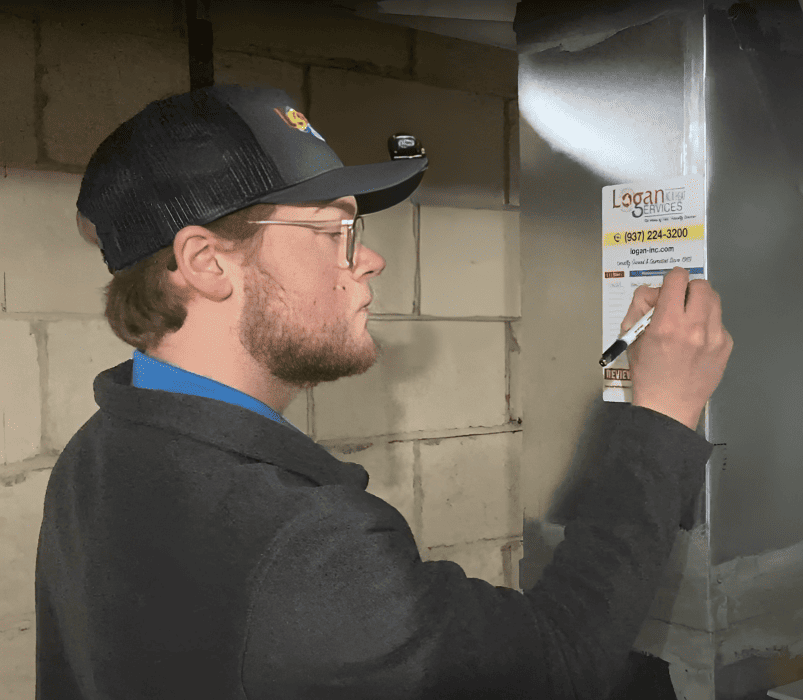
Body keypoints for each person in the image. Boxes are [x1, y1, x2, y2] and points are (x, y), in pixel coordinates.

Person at [35, 84, 733, 699]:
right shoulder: (305, 550)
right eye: (335, 230)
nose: (368, 258)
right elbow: (559, 663)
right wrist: (662, 412)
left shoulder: (98, 454)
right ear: (207, 263)